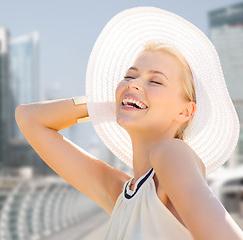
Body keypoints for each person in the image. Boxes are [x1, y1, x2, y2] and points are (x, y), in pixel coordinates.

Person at [15, 6, 243, 240]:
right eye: (130, 76)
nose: (134, 83)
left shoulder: (171, 153)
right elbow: (29, 118)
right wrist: (114, 102)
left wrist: (129, 98)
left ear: (186, 111)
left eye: (155, 81)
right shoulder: (123, 195)